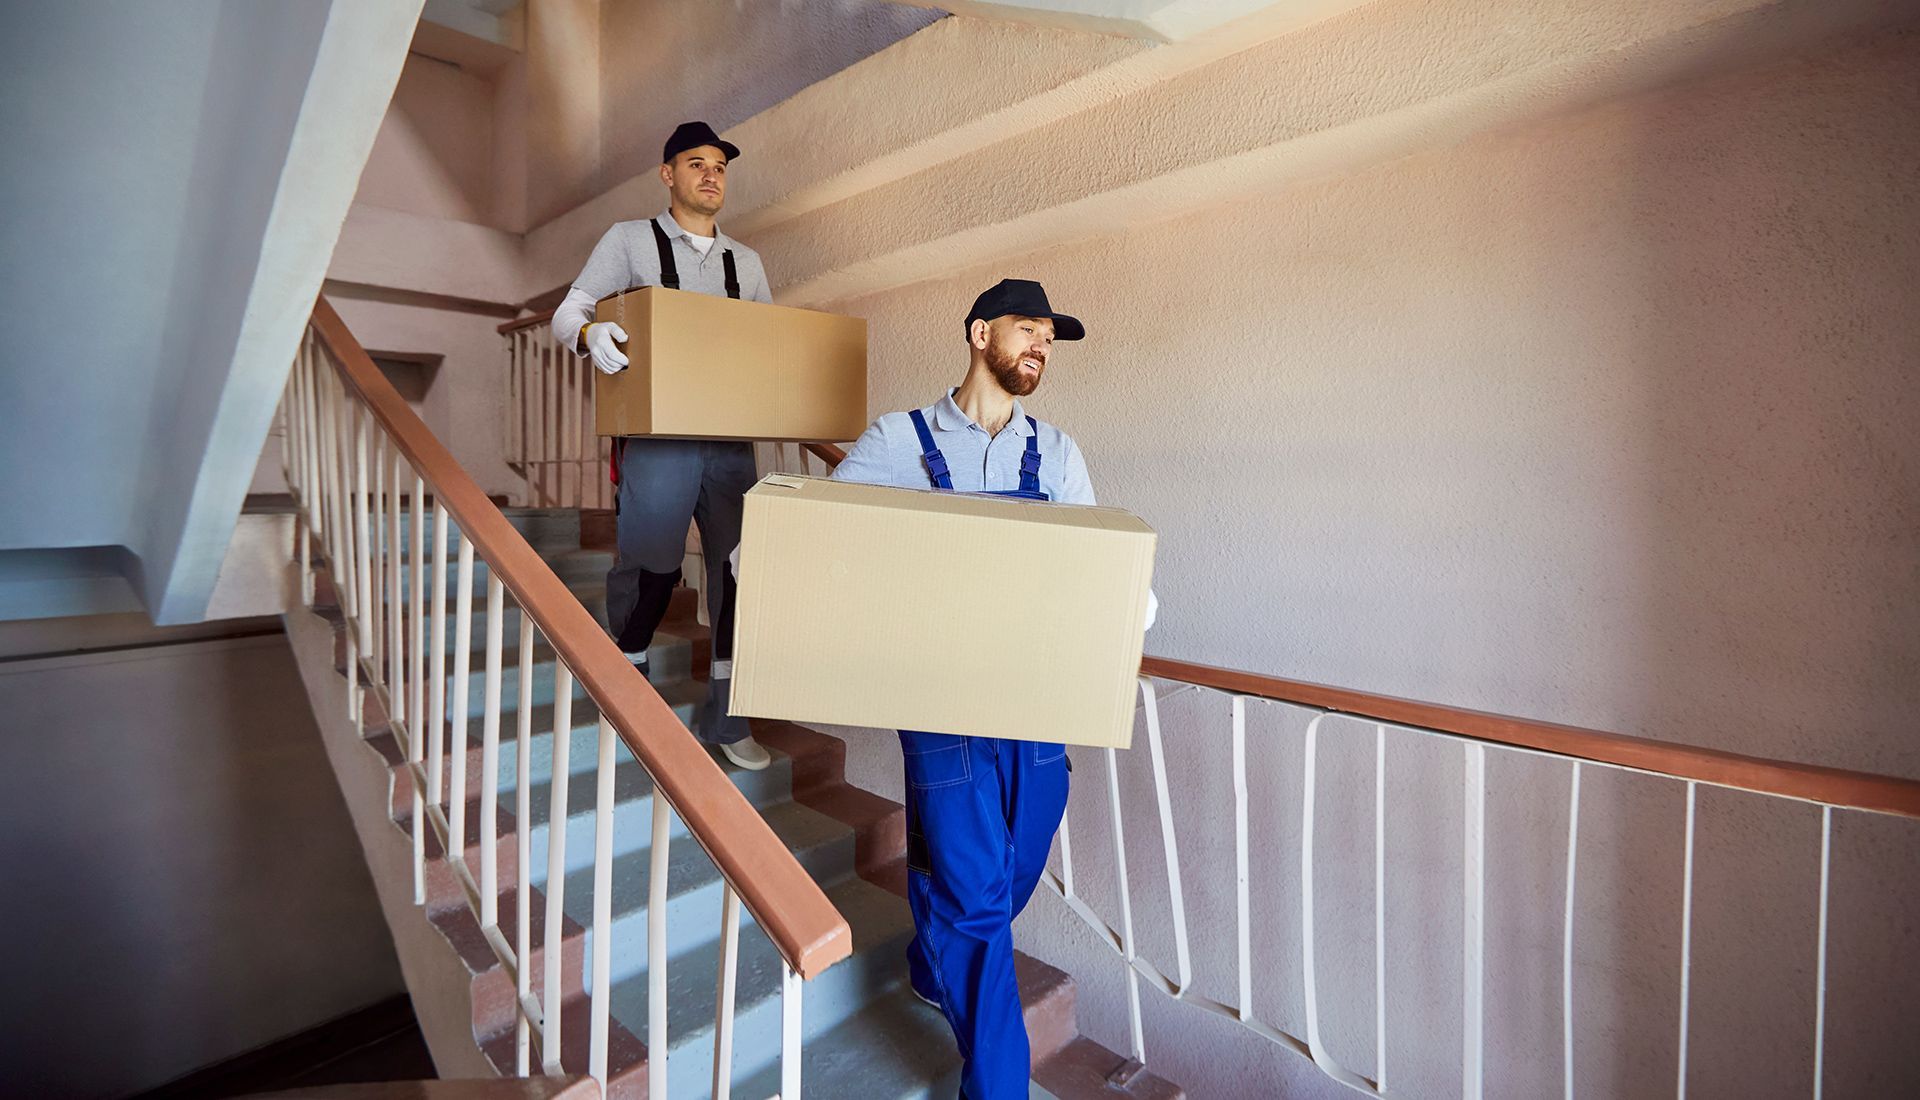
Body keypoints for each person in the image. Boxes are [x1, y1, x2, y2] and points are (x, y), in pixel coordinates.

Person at [829, 278, 1117, 1099]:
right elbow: (816, 536)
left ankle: (930, 962)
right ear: (979, 332)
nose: (1042, 347)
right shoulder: (899, 441)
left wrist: (1128, 605)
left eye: (1050, 339)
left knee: (1019, 860)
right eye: (1029, 329)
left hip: (1034, 697)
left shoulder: (1056, 454)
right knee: (973, 899)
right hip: (939, 700)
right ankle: (996, 1084)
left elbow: (1091, 562)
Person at [551, 121, 772, 771]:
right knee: (650, 567)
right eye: (696, 163)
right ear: (667, 174)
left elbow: (770, 346)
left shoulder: (746, 263)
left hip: (730, 443)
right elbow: (568, 312)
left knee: (738, 575)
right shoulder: (629, 240)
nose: (711, 174)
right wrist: (589, 334)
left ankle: (729, 720)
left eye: (720, 166)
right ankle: (630, 702)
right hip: (657, 438)